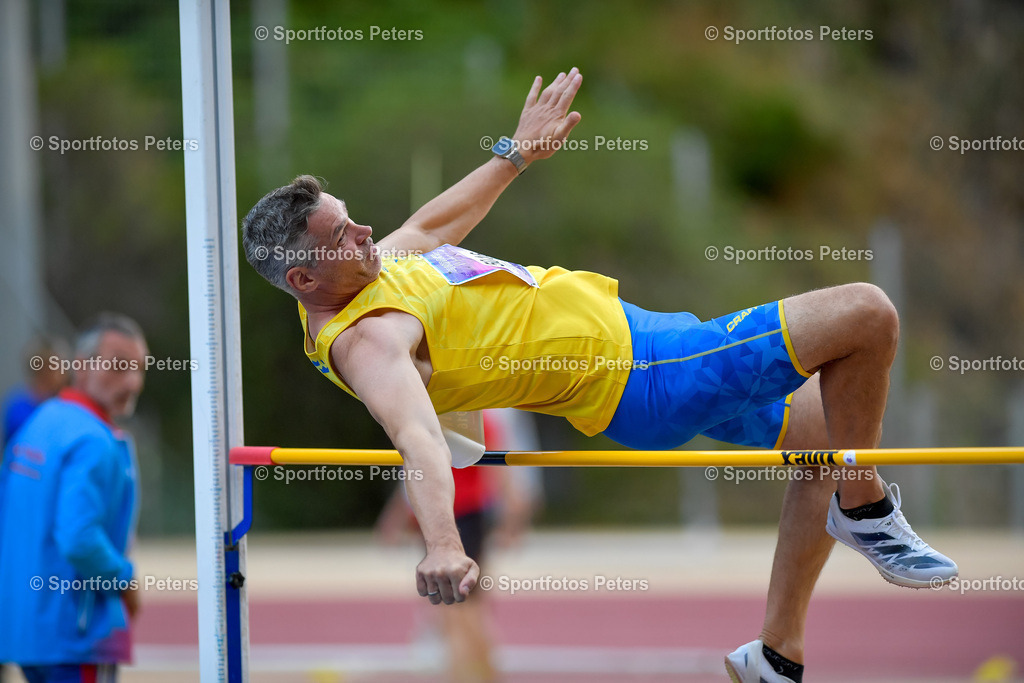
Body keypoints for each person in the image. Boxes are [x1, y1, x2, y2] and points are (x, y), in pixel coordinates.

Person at [240, 68, 957, 682]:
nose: (364, 233)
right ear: (303, 278)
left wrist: (515, 153)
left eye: (354, 220)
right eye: (343, 236)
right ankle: (862, 508)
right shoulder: (368, 341)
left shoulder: (371, 271)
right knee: (868, 314)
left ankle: (778, 652)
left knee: (825, 434)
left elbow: (433, 225)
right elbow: (417, 437)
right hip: (645, 376)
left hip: (647, 338)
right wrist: (444, 543)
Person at [0, 314, 147, 683]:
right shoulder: (93, 440)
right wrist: (124, 579)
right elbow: (79, 538)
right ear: (81, 366)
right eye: (118, 366)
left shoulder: (41, 421)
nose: (132, 381)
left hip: (25, 627)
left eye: (139, 369)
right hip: (73, 631)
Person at [376, 409, 540, 682]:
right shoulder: (442, 416)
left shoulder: (463, 417)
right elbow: (414, 474)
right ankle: (476, 673)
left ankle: (473, 673)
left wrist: (513, 520)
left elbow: (498, 469)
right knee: (460, 609)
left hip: (457, 519)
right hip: (451, 520)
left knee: (458, 610)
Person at [2, 337, 71, 448]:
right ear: (44, 370)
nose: (64, 372)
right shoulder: (19, 408)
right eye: (59, 366)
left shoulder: (64, 402)